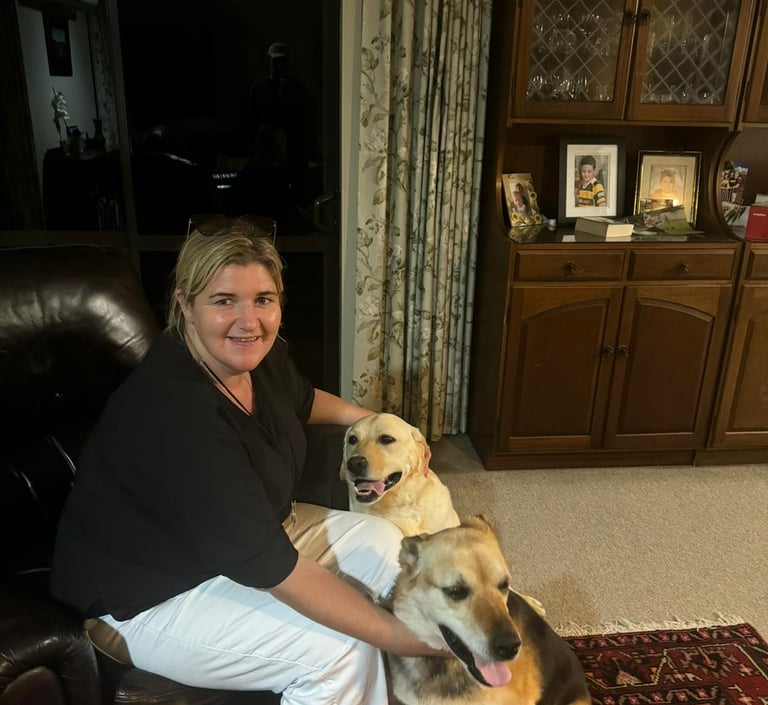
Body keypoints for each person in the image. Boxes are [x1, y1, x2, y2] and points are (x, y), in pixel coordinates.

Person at [50, 217, 442, 705]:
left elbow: (302, 399)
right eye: (223, 300)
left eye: (263, 299)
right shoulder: (175, 413)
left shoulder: (254, 354)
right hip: (150, 595)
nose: (248, 320)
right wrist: (417, 642)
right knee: (340, 651)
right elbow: (280, 572)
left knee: (388, 540)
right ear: (185, 306)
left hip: (246, 539)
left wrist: (388, 427)